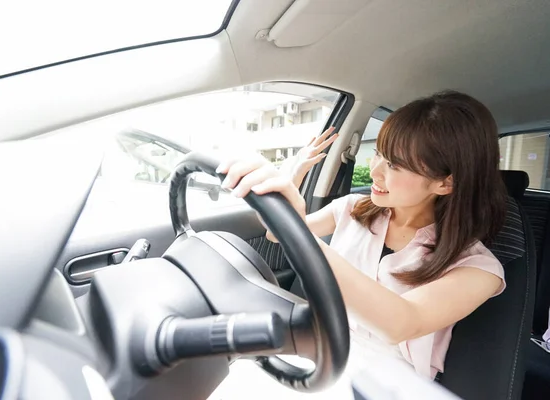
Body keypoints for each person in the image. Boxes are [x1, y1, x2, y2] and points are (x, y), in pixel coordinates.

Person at [208, 91, 507, 399]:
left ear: (445, 183)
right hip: (317, 348)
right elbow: (277, 236)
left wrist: (301, 234)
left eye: (394, 165)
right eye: (378, 153)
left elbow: (401, 322)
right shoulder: (352, 208)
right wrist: (291, 179)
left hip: (385, 384)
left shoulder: (478, 267)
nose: (375, 171)